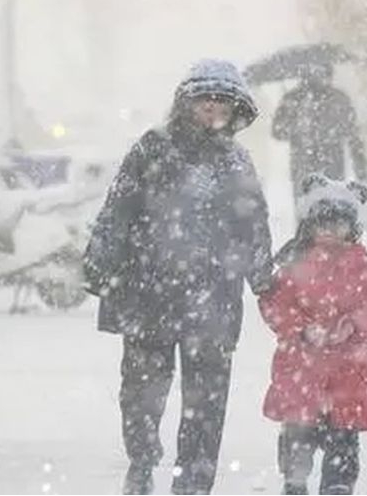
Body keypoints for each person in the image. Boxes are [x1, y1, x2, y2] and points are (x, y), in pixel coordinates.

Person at [83, 59, 274, 495]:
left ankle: (194, 480)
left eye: (220, 103)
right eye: (203, 101)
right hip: (149, 290)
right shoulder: (153, 148)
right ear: (185, 104)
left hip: (213, 298)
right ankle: (142, 459)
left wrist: (264, 278)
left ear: (234, 110)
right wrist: (99, 262)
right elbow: (119, 209)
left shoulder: (236, 162)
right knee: (141, 393)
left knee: (206, 401)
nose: (211, 110)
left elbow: (253, 224)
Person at [259, 174, 367, 495]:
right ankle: (295, 481)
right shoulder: (294, 260)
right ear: (310, 223)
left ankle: (338, 485)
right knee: (298, 433)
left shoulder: (359, 263)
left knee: (343, 439)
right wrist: (301, 329)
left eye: (339, 224)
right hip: (301, 368)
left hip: (346, 371)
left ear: (353, 227)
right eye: (323, 222)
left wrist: (354, 324)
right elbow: (274, 303)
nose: (330, 231)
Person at [271, 64, 367, 205]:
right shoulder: (293, 99)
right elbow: (277, 131)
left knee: (327, 211)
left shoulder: (337, 98)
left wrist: (360, 163)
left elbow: (352, 133)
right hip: (308, 166)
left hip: (325, 165)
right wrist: (296, 129)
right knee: (313, 212)